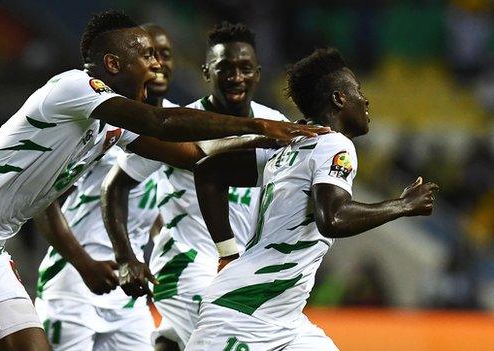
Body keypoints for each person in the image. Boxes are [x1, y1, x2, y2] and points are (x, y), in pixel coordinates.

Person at [0, 11, 327, 351]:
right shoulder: (71, 89)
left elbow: (194, 156)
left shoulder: (115, 123)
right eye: (144, 55)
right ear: (111, 64)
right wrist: (262, 128)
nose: (155, 65)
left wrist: (288, 157)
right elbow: (162, 123)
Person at [185, 48, 439, 350]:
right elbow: (332, 218)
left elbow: (209, 172)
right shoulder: (334, 144)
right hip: (244, 311)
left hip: (285, 318)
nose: (365, 99)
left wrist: (227, 251)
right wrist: (403, 205)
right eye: (357, 89)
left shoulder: (290, 146)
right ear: (339, 99)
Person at [101, 22, 288, 350]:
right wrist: (126, 257)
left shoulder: (276, 123)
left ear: (258, 73)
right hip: (185, 265)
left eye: (245, 68)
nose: (235, 78)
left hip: (238, 269)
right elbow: (115, 186)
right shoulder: (180, 123)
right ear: (206, 72)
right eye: (224, 69)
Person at [34, 23, 176, 350]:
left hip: (129, 289)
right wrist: (82, 262)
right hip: (76, 281)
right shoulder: (100, 116)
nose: (157, 63)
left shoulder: (181, 122)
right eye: (147, 54)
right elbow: (41, 196)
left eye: (164, 54)